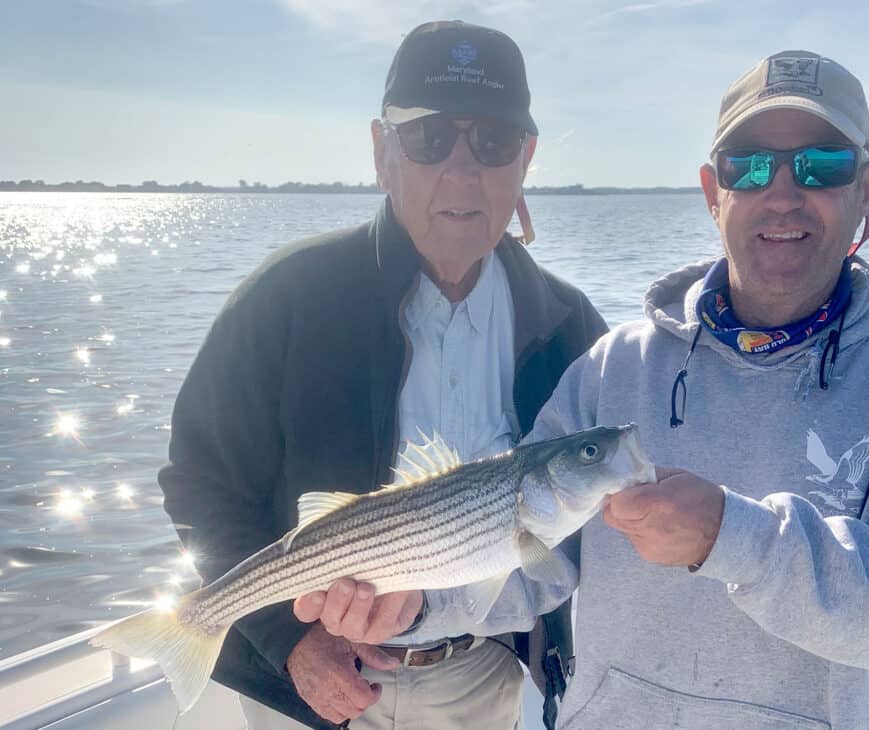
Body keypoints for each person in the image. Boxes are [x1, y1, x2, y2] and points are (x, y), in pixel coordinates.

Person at [302, 50, 869, 729]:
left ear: (867, 187)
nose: (781, 193)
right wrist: (419, 601)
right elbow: (531, 559)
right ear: (713, 193)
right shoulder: (616, 367)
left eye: (820, 164)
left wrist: (731, 537)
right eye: (748, 168)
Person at [158, 20, 606, 730]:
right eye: (430, 138)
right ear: (381, 152)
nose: (462, 173)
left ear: (525, 159)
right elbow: (200, 480)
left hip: (480, 677)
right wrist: (289, 640)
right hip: (301, 685)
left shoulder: (569, 327)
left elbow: (587, 526)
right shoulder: (289, 298)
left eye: (491, 142)